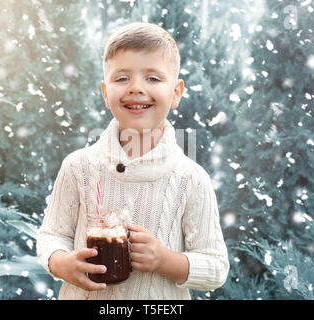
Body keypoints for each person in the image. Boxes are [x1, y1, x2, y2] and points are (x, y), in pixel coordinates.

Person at [36, 22, 229, 300]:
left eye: (153, 78)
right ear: (105, 92)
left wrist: (164, 261)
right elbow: (51, 235)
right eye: (122, 78)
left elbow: (216, 268)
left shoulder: (191, 179)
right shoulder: (78, 167)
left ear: (176, 92)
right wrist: (60, 263)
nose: (136, 88)